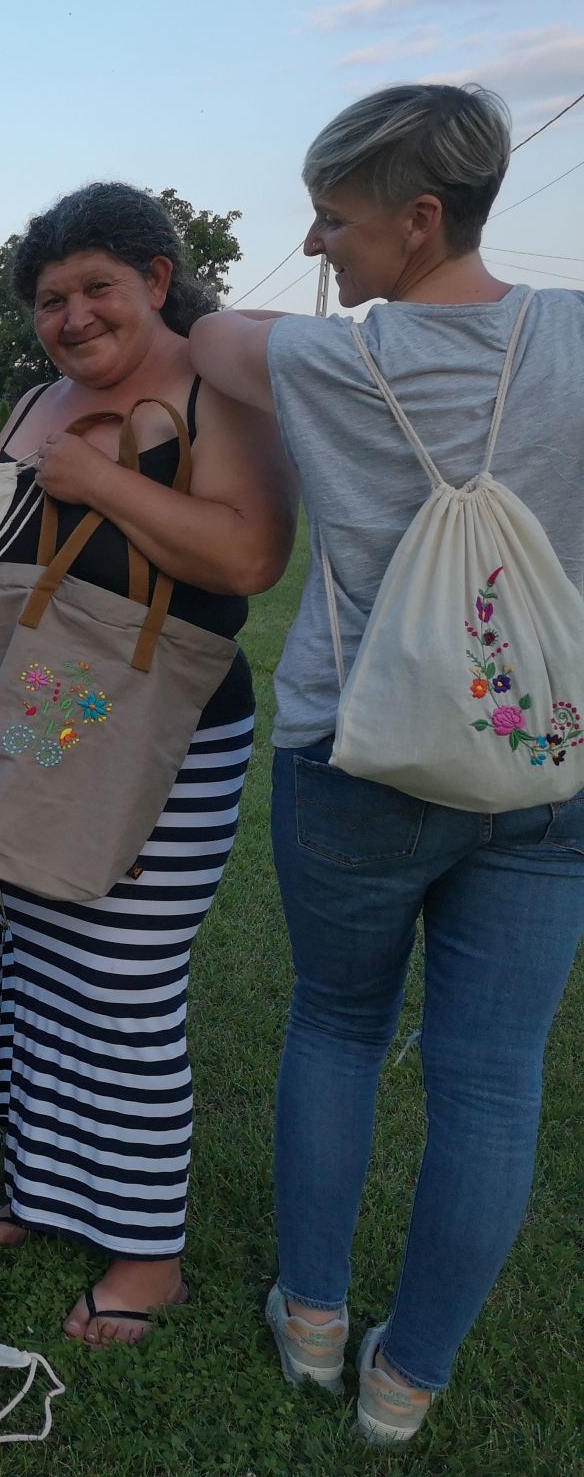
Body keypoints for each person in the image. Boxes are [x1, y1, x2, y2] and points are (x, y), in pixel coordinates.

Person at [190, 84, 584, 1443]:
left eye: (334, 218)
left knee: (339, 1026)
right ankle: (405, 1383)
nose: (315, 243)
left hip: (357, 759)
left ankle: (311, 1318)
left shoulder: (322, 360)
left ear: (419, 218)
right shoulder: (575, 336)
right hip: (546, 764)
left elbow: (211, 333)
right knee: (493, 1078)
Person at [0, 184, 295, 1346]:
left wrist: (102, 481)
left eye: (97, 287)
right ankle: (44, 1190)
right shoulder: (35, 401)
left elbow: (251, 556)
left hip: (164, 734)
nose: (73, 317)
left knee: (121, 988)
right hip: (39, 713)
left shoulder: (213, 384)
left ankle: (147, 1255)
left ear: (155, 278)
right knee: (34, 963)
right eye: (50, 300)